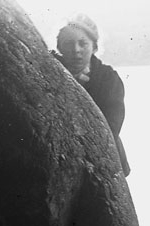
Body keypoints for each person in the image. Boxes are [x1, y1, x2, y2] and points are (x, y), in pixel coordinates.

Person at [54, 14, 131, 176]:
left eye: (83, 43)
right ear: (59, 48)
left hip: (105, 156)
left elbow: (112, 125)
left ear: (94, 47)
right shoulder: (52, 71)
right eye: (68, 44)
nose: (76, 50)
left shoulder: (109, 78)